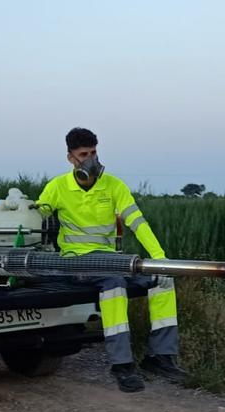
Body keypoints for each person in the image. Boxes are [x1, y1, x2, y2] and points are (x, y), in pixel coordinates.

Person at [33, 127, 189, 393]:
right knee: (114, 283)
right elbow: (36, 217)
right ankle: (122, 365)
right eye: (84, 154)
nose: (91, 159)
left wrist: (159, 257)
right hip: (76, 262)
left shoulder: (114, 185)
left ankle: (160, 356)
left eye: (94, 152)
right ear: (71, 158)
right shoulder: (57, 187)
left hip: (109, 258)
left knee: (162, 278)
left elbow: (137, 222)